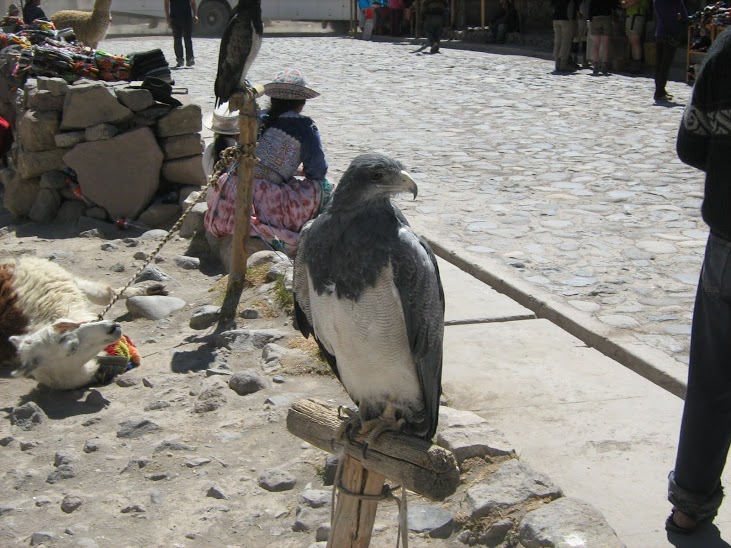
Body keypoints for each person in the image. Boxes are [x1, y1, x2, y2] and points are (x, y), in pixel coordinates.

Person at [666, 27, 731, 536]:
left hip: (730, 243)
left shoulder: (728, 49)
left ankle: (689, 505)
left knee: (713, 379)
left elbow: (691, 145)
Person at [204, 68, 333, 263]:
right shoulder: (305, 127)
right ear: (302, 102)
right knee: (324, 187)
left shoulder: (256, 118)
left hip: (229, 190)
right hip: (260, 199)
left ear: (272, 99)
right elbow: (317, 171)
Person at [653, 0, 687, 102]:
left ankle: (660, 89)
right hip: (671, 33)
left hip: (660, 32)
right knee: (665, 64)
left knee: (659, 63)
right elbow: (684, 16)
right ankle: (659, 91)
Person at [588, 0, 619, 75]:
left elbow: (590, 7)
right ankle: (604, 65)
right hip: (606, 17)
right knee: (605, 44)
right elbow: (614, 6)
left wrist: (590, 18)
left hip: (595, 18)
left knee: (596, 44)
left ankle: (595, 65)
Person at [164, 0, 197, 68]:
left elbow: (193, 2)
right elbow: (166, 2)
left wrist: (195, 15)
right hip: (175, 17)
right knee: (177, 39)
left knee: (187, 38)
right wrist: (167, 16)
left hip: (187, 17)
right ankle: (180, 59)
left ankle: (190, 58)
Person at [621, 0, 650, 73]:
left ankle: (637, 64)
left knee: (635, 40)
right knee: (632, 40)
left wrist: (625, 3)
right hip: (632, 16)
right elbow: (623, 3)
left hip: (636, 16)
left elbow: (629, 3)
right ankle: (634, 63)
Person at [551, 0, 578, 72]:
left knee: (557, 41)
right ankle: (563, 64)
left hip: (556, 17)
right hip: (566, 18)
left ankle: (557, 63)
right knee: (566, 42)